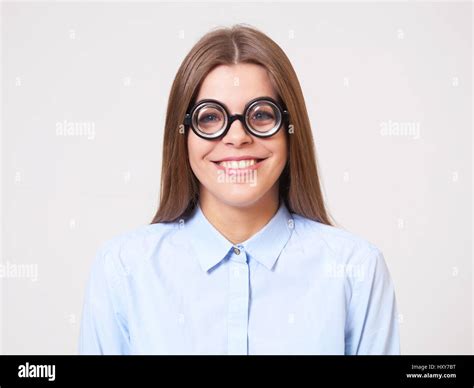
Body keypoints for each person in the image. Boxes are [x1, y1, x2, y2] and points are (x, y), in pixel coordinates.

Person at [78, 24, 400, 355]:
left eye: (261, 114)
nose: (237, 137)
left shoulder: (356, 270)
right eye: (210, 118)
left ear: (290, 130)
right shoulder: (123, 268)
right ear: (183, 134)